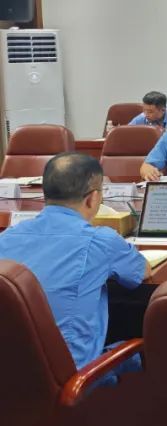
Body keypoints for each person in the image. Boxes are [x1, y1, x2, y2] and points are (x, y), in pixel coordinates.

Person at [0, 153, 146, 371]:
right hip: (72, 377)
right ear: (93, 198)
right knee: (154, 346)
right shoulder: (100, 240)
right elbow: (141, 273)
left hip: (11, 371)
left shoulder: (6, 238)